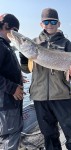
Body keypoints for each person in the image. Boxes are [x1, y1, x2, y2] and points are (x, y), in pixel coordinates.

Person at [19, 8, 71, 150]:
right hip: (40, 97)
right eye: (46, 21)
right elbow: (26, 69)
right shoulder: (33, 43)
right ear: (41, 24)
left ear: (59, 23)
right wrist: (23, 57)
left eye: (53, 22)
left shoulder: (66, 44)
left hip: (61, 96)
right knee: (49, 135)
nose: (50, 24)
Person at [0, 14, 24, 150]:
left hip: (10, 104)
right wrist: (12, 88)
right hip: (6, 106)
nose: (16, 35)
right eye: (15, 31)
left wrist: (18, 76)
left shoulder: (5, 45)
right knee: (10, 137)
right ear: (5, 26)